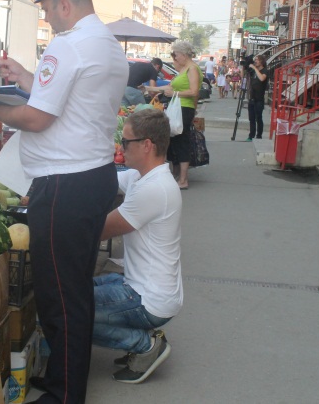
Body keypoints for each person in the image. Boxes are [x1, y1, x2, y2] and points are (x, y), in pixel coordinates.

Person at [0, 0, 128, 404]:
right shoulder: (106, 44)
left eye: (48, 9)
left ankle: (64, 394)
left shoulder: (68, 46)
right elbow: (74, 99)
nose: (47, 18)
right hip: (90, 176)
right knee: (74, 288)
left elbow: (36, 116)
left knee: (60, 297)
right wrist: (24, 77)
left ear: (63, 3)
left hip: (63, 186)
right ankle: (65, 376)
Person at [92, 109, 183, 384]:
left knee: (69, 308)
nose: (121, 147)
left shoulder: (154, 189)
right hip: (141, 286)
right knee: (81, 289)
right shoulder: (142, 177)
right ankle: (141, 341)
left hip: (148, 299)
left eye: (126, 142)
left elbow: (100, 230)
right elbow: (102, 179)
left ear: (147, 145)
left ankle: (144, 345)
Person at [146, 40, 200, 189]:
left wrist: (174, 93)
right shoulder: (184, 69)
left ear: (183, 54)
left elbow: (194, 92)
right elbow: (169, 87)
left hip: (184, 108)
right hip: (177, 108)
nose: (174, 58)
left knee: (181, 141)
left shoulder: (192, 69)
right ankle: (177, 175)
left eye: (175, 55)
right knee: (174, 141)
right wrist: (148, 88)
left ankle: (183, 179)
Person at [247, 54, 269, 141]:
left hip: (259, 99)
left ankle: (259, 135)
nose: (255, 61)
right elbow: (243, 75)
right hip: (252, 98)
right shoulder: (253, 71)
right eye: (255, 60)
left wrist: (255, 68)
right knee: (251, 118)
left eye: (257, 60)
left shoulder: (265, 71)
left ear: (261, 61)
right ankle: (251, 135)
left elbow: (262, 79)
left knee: (258, 118)